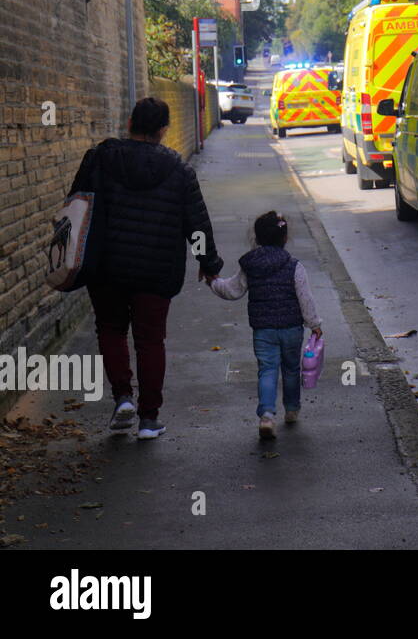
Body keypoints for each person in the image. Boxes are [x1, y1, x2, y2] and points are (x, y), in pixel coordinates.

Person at [70, 96, 223, 440]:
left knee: (110, 330)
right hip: (156, 270)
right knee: (150, 340)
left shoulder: (100, 158)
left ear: (129, 125)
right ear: (164, 130)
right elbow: (195, 223)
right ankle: (149, 419)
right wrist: (207, 263)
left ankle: (123, 397)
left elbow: (76, 205)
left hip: (106, 268)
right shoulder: (178, 169)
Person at [207, 211, 323, 440]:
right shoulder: (294, 266)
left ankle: (267, 416)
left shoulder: (250, 265)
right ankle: (291, 409)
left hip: (263, 330)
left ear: (257, 238)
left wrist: (213, 282)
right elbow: (305, 298)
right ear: (285, 238)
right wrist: (315, 324)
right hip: (291, 329)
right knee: (291, 370)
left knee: (267, 370)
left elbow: (232, 290)